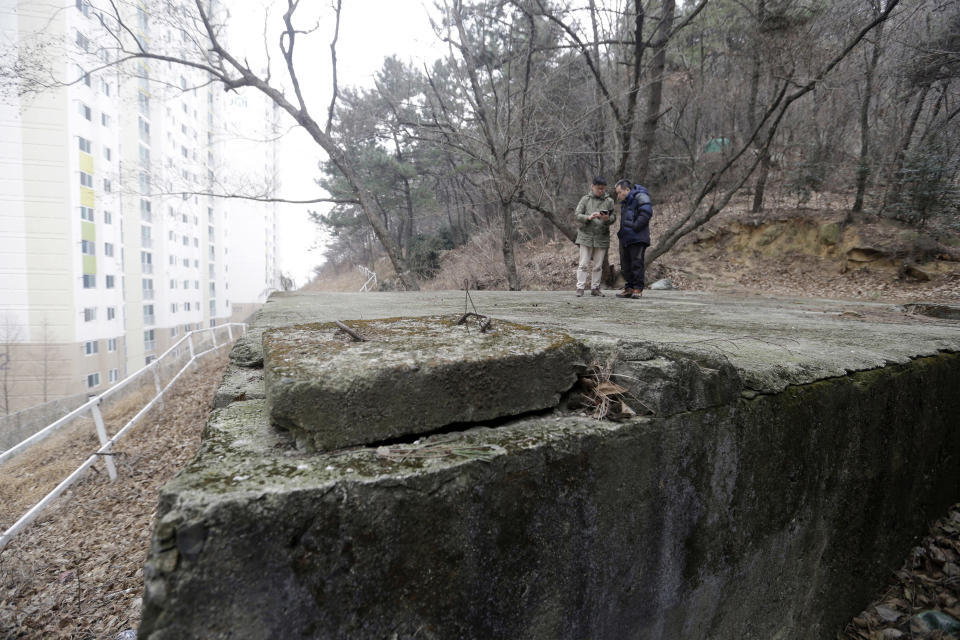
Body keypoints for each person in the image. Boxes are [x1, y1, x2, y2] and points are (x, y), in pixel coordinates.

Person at [573, 176, 617, 297]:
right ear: (592, 187)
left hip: (602, 236)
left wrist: (607, 218)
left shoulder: (609, 201)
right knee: (583, 264)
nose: (601, 191)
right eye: (598, 188)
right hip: (585, 235)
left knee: (598, 265)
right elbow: (577, 215)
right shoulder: (585, 199)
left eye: (603, 189)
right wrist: (588, 217)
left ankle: (595, 288)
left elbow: (614, 217)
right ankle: (580, 287)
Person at [614, 178, 652, 299]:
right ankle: (629, 288)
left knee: (637, 264)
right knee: (626, 266)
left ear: (627, 189)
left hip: (638, 237)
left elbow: (646, 213)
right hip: (627, 238)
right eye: (617, 193)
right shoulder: (625, 203)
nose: (618, 195)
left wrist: (635, 227)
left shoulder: (641, 196)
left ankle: (637, 289)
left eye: (620, 192)